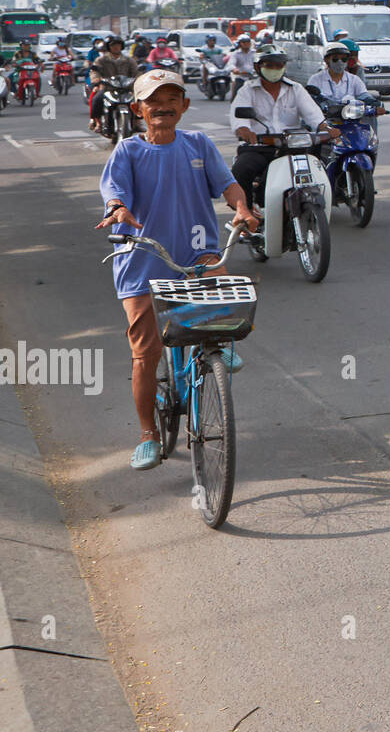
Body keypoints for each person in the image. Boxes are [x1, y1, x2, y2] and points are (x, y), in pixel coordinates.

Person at [96, 69, 261, 471]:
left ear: (184, 106)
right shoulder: (128, 152)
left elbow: (228, 185)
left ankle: (216, 348)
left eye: (172, 99)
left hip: (195, 250)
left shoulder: (198, 144)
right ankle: (148, 435)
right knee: (146, 355)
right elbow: (114, 193)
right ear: (138, 109)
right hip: (142, 257)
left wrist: (241, 208)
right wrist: (118, 209)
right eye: (153, 100)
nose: (163, 107)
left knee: (221, 290)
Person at [230, 47, 339, 208]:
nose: (274, 69)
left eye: (278, 65)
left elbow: (313, 114)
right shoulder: (247, 90)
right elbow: (239, 119)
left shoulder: (295, 89)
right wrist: (244, 130)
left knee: (319, 168)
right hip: (259, 147)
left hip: (293, 148)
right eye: (269, 65)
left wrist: (326, 128)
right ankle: (246, 213)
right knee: (241, 169)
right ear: (257, 67)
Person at [88, 35, 139, 133]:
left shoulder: (129, 60)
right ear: (108, 47)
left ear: (122, 46)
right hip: (107, 87)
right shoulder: (101, 60)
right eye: (113, 45)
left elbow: (136, 72)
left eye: (118, 45)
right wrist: (96, 79)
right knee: (96, 99)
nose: (116, 47)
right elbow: (94, 71)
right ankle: (97, 123)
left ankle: (137, 123)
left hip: (126, 88)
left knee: (139, 99)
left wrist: (138, 79)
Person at [227, 33, 257, 100]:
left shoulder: (255, 53)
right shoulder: (235, 54)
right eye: (244, 42)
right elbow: (231, 64)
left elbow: (261, 62)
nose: (246, 44)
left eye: (248, 42)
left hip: (254, 77)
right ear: (240, 43)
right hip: (241, 77)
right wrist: (234, 69)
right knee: (235, 95)